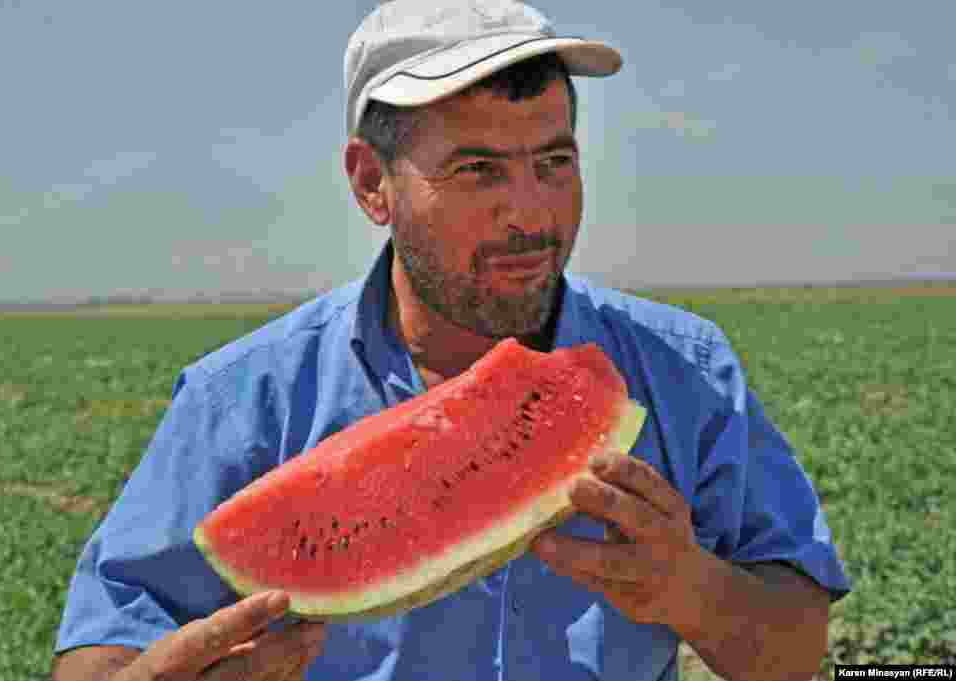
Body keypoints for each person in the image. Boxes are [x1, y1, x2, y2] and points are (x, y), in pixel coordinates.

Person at [52, 1, 851, 680]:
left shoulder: (684, 370)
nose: (532, 214)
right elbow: (96, 649)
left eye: (554, 161)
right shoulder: (244, 400)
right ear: (372, 183)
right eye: (479, 171)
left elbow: (800, 642)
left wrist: (694, 589)